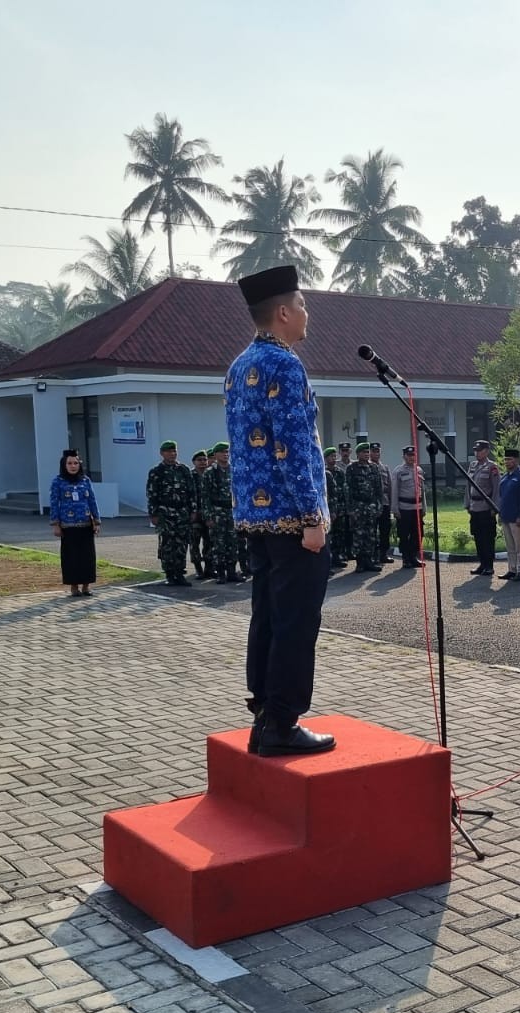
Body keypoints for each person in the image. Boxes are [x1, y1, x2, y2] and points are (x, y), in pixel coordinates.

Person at [226, 265, 334, 757]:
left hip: (256, 517)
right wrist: (312, 518)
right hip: (292, 519)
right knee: (295, 621)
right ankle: (282, 723)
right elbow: (293, 446)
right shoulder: (285, 365)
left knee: (266, 616)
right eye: (304, 304)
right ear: (284, 312)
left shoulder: (239, 365)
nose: (308, 313)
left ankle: (264, 714)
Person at [49, 449, 102, 597]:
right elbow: (54, 503)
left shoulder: (85, 480)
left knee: (87, 556)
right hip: (68, 526)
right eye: (70, 463)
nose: (73, 466)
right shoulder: (58, 482)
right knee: (71, 557)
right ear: (64, 465)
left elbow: (92, 501)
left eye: (76, 463)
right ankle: (74, 587)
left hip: (86, 525)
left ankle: (86, 586)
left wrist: (97, 521)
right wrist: (55, 524)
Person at [146, 440, 196, 586]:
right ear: (162, 453)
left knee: (181, 543)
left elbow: (192, 492)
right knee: (167, 543)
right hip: (165, 512)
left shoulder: (184, 470)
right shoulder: (156, 471)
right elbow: (151, 494)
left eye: (174, 451)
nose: (172, 454)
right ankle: (169, 574)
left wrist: (193, 510)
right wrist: (153, 514)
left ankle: (180, 573)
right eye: (168, 451)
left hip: (182, 512)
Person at [201, 442, 242, 585]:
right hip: (217, 511)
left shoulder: (234, 470)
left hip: (232, 510)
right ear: (216, 454)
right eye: (222, 452)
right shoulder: (210, 472)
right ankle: (221, 573)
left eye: (227, 452)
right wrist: (208, 516)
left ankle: (232, 571)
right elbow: (205, 496)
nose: (226, 454)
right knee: (218, 543)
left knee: (233, 542)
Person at [344, 440, 382, 573]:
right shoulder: (352, 468)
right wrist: (350, 509)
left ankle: (369, 561)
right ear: (358, 454)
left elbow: (379, 488)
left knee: (371, 534)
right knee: (359, 535)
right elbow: (347, 489)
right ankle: (360, 562)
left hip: (371, 505)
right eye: (363, 452)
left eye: (367, 452)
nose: (366, 454)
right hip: (358, 506)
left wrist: (379, 505)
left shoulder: (374, 467)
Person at [466, 439, 501, 576]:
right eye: (476, 450)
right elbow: (468, 486)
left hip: (486, 508)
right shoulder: (473, 465)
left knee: (487, 537)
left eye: (480, 450)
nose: (477, 453)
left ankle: (489, 565)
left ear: (486, 451)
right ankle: (482, 563)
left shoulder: (492, 467)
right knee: (477, 536)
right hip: (475, 507)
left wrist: (494, 507)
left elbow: (497, 489)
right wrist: (467, 503)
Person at [498, 448, 520, 582]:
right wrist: (500, 514)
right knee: (510, 547)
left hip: (518, 518)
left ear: (517, 460)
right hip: (506, 516)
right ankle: (512, 569)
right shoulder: (505, 477)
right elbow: (501, 497)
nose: (507, 462)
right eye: (506, 459)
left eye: (510, 459)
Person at [389, 445, 426, 569]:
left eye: (413, 455)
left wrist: (424, 507)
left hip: (417, 507)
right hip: (404, 508)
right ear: (404, 456)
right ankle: (406, 558)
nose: (411, 457)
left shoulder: (419, 470)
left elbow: (423, 491)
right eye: (409, 455)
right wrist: (395, 509)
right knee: (404, 534)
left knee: (418, 534)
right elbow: (394, 491)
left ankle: (413, 557)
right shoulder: (398, 471)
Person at [323, 447, 348, 570]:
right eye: (330, 457)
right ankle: (330, 561)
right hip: (328, 510)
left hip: (340, 507)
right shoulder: (324, 472)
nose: (333, 459)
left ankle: (338, 557)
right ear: (326, 459)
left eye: (334, 456)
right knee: (330, 536)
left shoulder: (340, 472)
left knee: (340, 534)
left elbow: (344, 490)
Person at [189, 449, 212, 579]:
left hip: (208, 514)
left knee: (209, 542)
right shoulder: (190, 475)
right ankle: (198, 569)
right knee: (194, 543)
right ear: (194, 462)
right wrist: (192, 511)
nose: (203, 462)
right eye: (199, 460)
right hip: (195, 515)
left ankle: (209, 568)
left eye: (204, 460)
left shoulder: (210, 475)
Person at [371, 443, 393, 564]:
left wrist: (391, 503)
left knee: (385, 530)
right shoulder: (367, 467)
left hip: (384, 503)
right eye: (374, 451)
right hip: (372, 504)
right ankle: (373, 554)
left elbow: (389, 486)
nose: (376, 454)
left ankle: (383, 553)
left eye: (378, 451)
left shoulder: (385, 468)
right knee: (372, 531)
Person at [334, 443, 354, 568]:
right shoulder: (335, 466)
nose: (345, 452)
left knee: (351, 528)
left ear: (350, 451)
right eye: (343, 450)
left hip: (352, 500)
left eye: (347, 450)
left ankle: (350, 551)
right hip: (340, 502)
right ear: (340, 452)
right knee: (341, 529)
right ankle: (341, 553)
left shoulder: (354, 465)